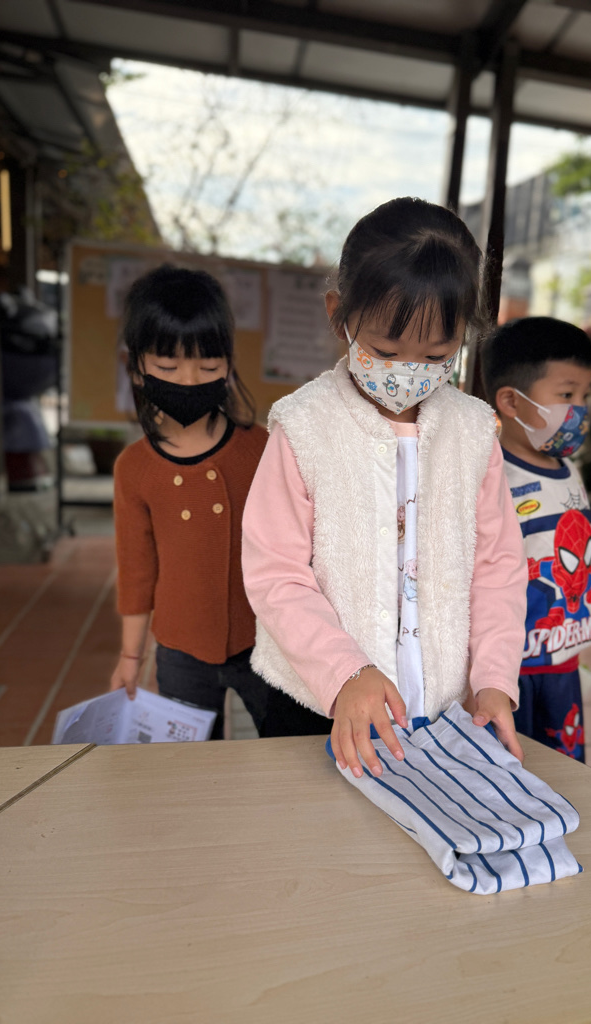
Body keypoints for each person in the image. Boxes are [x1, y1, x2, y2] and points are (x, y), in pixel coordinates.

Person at [241, 196, 528, 776]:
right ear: (339, 315)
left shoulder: (475, 432)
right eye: (386, 351)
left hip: (444, 708)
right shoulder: (302, 426)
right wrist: (345, 672)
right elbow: (276, 574)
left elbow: (497, 566)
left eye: (437, 354)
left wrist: (494, 679)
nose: (408, 371)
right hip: (317, 704)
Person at [110, 264, 271, 740]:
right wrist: (130, 657)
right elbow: (136, 573)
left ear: (229, 365)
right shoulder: (134, 468)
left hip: (268, 641)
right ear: (137, 368)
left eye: (208, 367)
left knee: (292, 746)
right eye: (167, 367)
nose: (188, 380)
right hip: (181, 649)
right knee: (191, 760)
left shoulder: (263, 449)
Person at [481, 317, 591, 762]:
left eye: (585, 395)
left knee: (564, 772)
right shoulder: (492, 475)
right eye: (567, 395)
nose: (580, 409)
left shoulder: (570, 470)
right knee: (509, 769)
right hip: (510, 672)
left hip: (562, 662)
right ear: (511, 401)